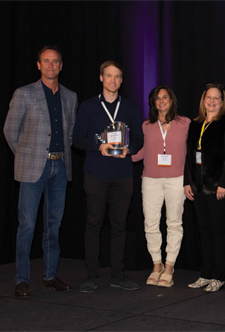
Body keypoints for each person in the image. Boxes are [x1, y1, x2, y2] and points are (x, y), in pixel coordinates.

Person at [3, 45, 77, 297]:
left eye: (55, 61)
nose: (50, 65)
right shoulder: (24, 94)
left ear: (61, 66)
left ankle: (49, 275)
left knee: (53, 225)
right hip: (34, 167)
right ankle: (21, 279)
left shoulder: (70, 96)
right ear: (38, 65)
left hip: (60, 166)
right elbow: (10, 131)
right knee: (27, 225)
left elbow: (69, 134)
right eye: (46, 61)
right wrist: (26, 156)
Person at [73, 60, 143, 293]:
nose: (113, 80)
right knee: (93, 224)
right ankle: (91, 275)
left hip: (122, 175)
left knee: (119, 226)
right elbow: (77, 138)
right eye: (109, 76)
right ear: (101, 78)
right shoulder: (88, 106)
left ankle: (117, 274)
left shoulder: (131, 107)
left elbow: (139, 140)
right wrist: (98, 145)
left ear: (122, 81)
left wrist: (129, 149)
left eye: (118, 77)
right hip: (96, 173)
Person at [131, 85, 190, 287]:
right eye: (157, 98)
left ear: (171, 100)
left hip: (176, 179)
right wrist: (122, 156)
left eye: (165, 97)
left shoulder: (185, 123)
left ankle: (170, 265)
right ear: (153, 103)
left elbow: (193, 150)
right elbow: (142, 152)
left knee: (174, 223)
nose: (161, 101)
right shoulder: (146, 125)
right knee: (151, 223)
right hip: (151, 179)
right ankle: (156, 264)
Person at [184, 83, 225, 292]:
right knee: (204, 231)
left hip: (218, 187)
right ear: (203, 100)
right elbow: (189, 156)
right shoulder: (195, 124)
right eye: (209, 97)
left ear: (222, 101)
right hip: (197, 186)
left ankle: (219, 275)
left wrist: (224, 184)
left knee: (218, 232)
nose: (212, 101)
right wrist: (187, 182)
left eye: (217, 98)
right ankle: (205, 273)